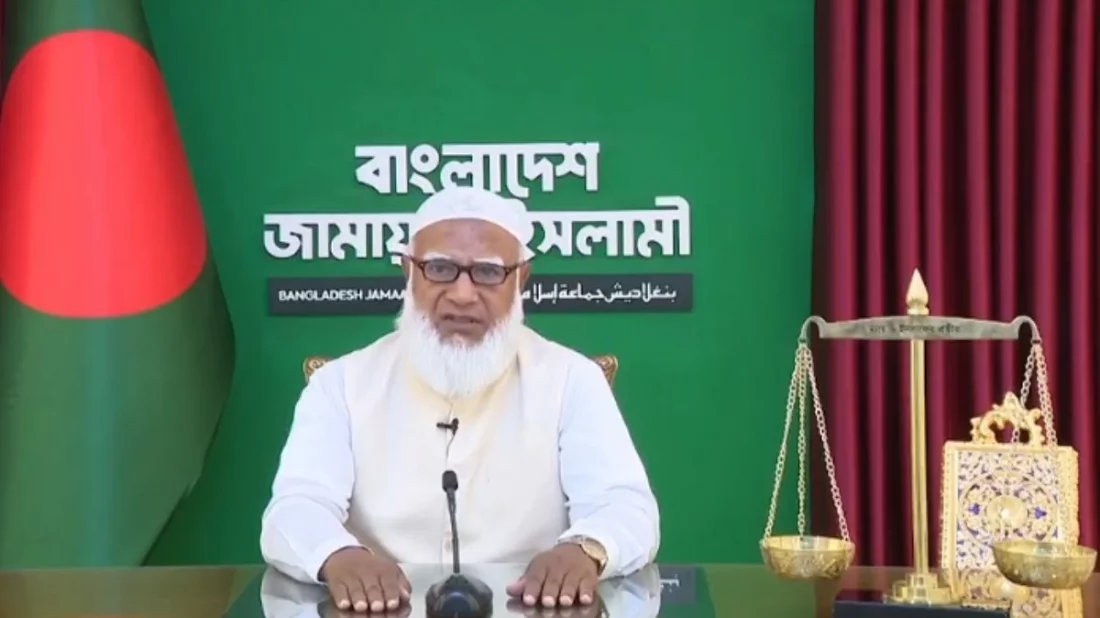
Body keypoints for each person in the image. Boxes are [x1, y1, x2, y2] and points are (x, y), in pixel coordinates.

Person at [260, 186, 660, 614]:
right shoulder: (340, 384)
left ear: (521, 278)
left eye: (488, 272)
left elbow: (625, 505)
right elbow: (295, 507)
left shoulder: (571, 380)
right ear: (408, 272)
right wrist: (338, 555)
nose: (463, 294)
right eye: (440, 268)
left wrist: (585, 549)